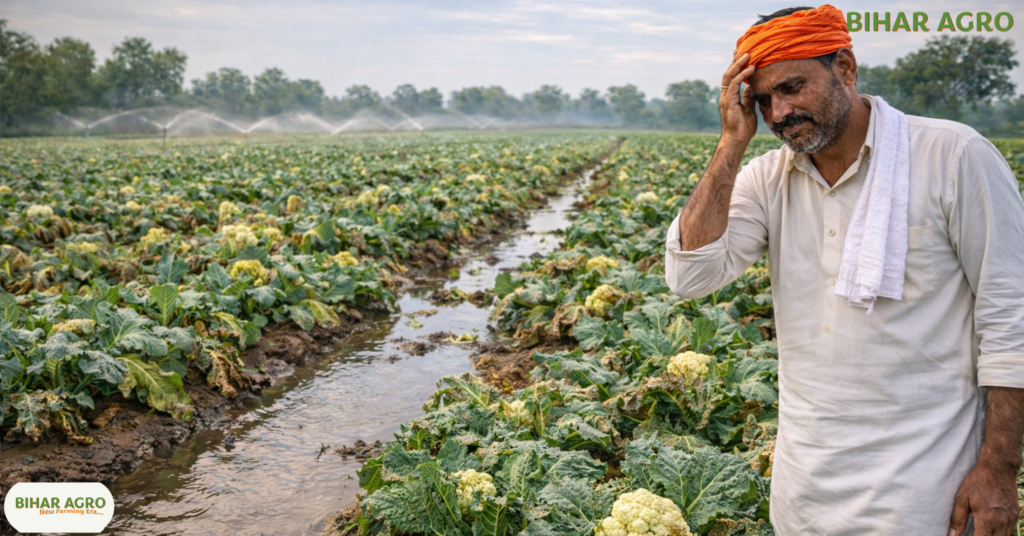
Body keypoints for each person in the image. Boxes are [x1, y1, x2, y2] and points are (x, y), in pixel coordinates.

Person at [664, 5, 1024, 535]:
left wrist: (998, 469)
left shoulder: (953, 156)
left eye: (792, 88)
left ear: (846, 68)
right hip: (804, 491)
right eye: (762, 100)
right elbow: (690, 276)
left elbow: (1011, 319)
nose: (779, 112)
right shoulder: (766, 179)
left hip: (927, 493)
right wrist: (730, 143)